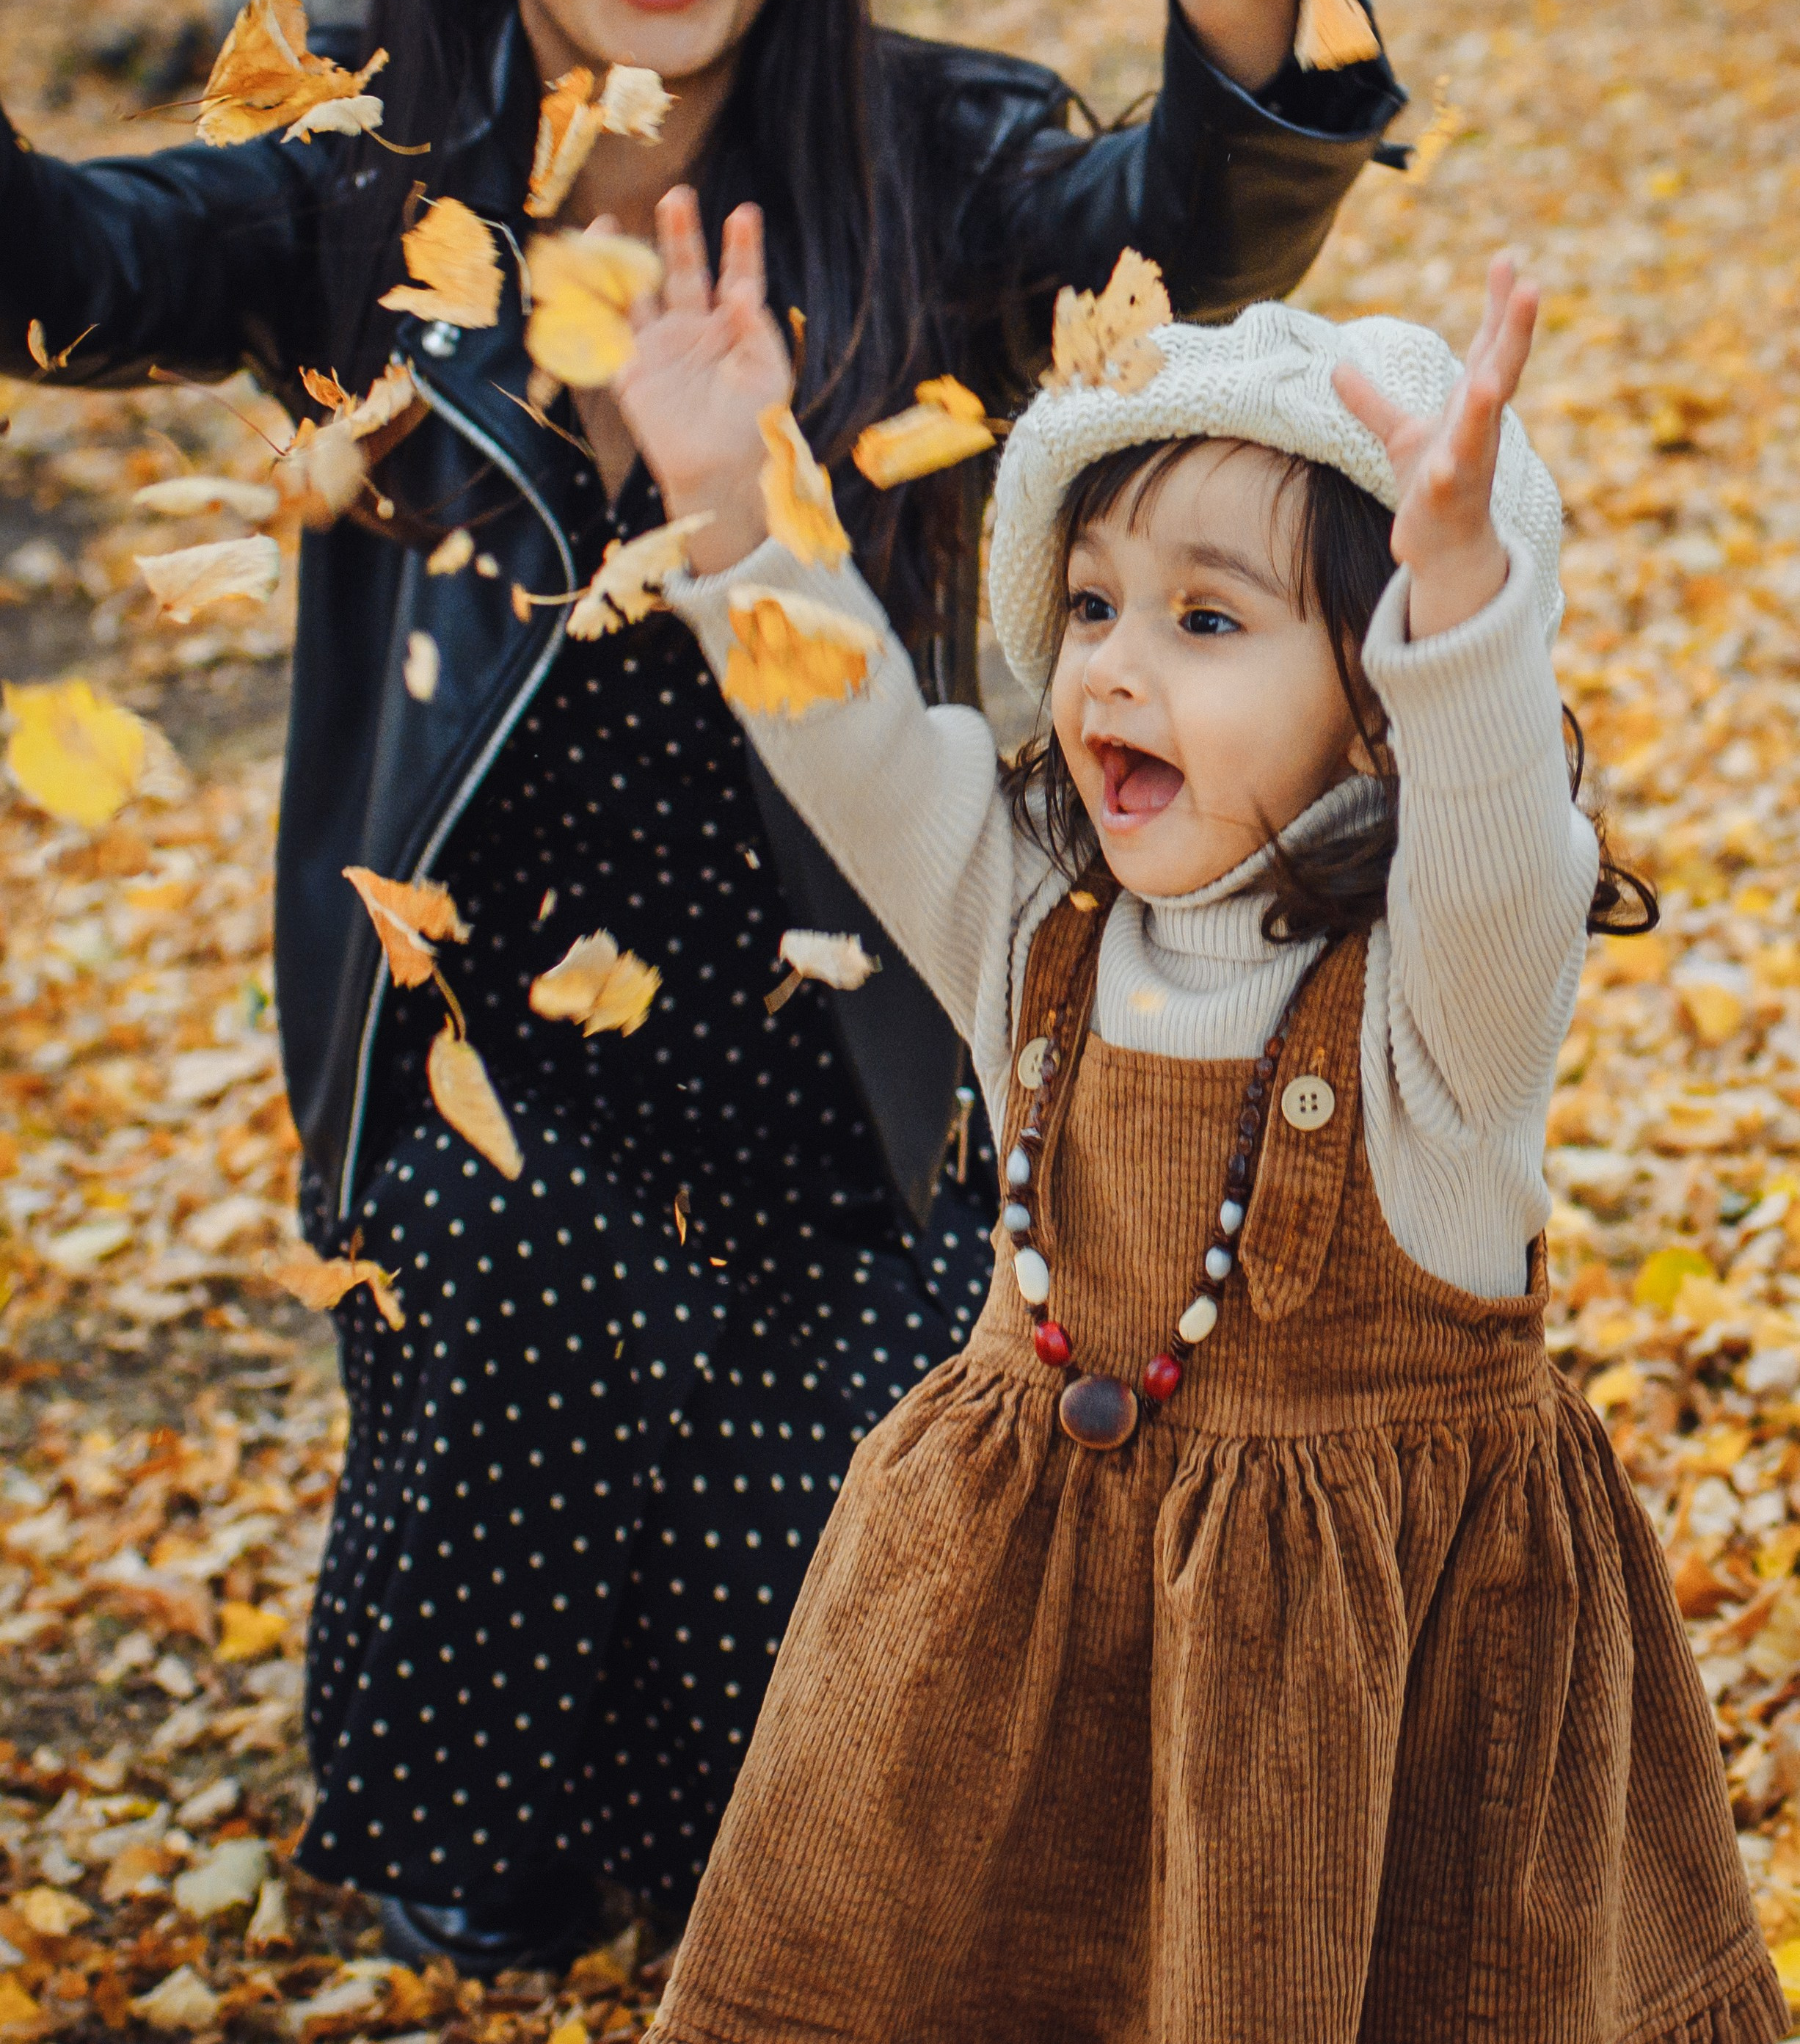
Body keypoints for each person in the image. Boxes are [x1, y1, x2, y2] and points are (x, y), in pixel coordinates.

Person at [0, 0, 1479, 1962]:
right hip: (498, 1073)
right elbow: (63, 271)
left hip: (868, 1062)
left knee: (819, 1762)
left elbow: (1192, 238)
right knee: (486, 1711)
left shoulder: (930, 156)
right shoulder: (361, 206)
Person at [616, 225, 1782, 2044]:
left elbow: (1497, 852)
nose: (1111, 670)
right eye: (1091, 607)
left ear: (1382, 709)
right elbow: (861, 742)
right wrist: (724, 502)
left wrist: (1460, 608)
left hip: (1357, 1702)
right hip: (1010, 1654)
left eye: (1208, 617)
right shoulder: (1033, 927)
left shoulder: (1437, 1023)